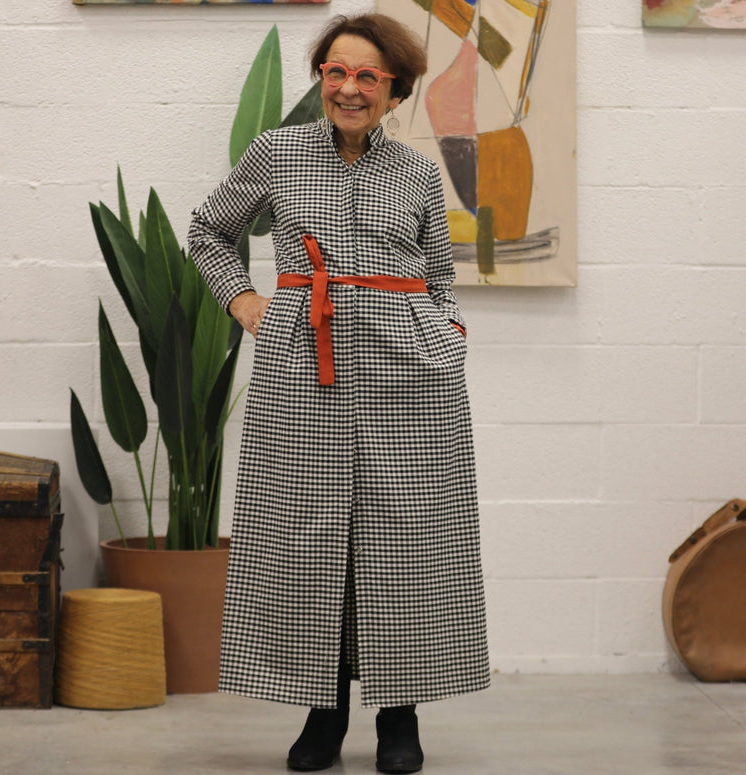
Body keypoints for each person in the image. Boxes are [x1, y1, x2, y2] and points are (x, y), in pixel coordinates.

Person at [188, 13, 489, 774]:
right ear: (321, 78)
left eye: (367, 76)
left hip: (409, 375)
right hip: (303, 368)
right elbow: (208, 230)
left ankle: (399, 715)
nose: (349, 89)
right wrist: (245, 303)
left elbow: (440, 276)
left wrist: (446, 335)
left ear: (395, 91)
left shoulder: (418, 173)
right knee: (307, 535)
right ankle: (322, 712)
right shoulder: (277, 152)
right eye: (335, 72)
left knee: (405, 540)